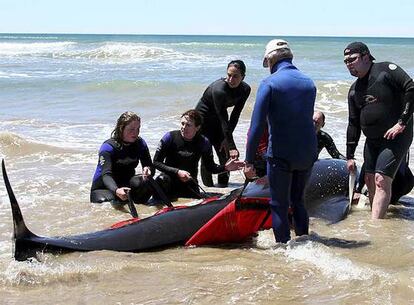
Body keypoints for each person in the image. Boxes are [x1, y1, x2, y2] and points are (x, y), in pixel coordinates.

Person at [244, 39, 317, 244]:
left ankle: (283, 250)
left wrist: (249, 161)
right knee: (299, 201)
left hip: (281, 154)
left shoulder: (270, 83)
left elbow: (257, 126)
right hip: (307, 152)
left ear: (270, 59)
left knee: (279, 205)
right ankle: (304, 243)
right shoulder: (308, 82)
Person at [344, 41, 414, 218]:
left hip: (396, 136)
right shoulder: (354, 90)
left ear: (366, 56)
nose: (348, 64)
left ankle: (376, 225)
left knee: (381, 180)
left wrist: (402, 122)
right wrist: (350, 155)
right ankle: (376, 221)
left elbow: (411, 88)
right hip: (372, 140)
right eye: (346, 61)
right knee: (369, 180)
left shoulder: (386, 70)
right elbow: (353, 123)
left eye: (352, 59)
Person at [153, 109, 244, 200]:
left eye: (188, 125)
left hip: (189, 183)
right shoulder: (169, 137)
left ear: (197, 127)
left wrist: (226, 168)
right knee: (161, 180)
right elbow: (156, 162)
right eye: (182, 123)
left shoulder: (203, 142)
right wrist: (177, 172)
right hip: (168, 182)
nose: (184, 127)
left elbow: (210, 167)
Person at [196, 60, 251, 187]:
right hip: (203, 121)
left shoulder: (245, 89)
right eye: (229, 75)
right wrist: (232, 145)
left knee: (225, 156)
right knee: (207, 157)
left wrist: (228, 141)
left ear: (243, 77)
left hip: (219, 122)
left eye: (235, 76)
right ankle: (209, 188)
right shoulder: (219, 89)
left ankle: (222, 187)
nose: (231, 79)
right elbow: (223, 117)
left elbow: (235, 115)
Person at [90, 111, 154, 204]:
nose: (135, 133)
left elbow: (149, 166)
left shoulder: (140, 143)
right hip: (104, 188)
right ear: (121, 128)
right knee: (112, 203)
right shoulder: (108, 147)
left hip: (126, 186)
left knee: (145, 183)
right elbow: (106, 175)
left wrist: (148, 170)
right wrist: (116, 190)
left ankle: (144, 213)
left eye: (138, 129)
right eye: (131, 129)